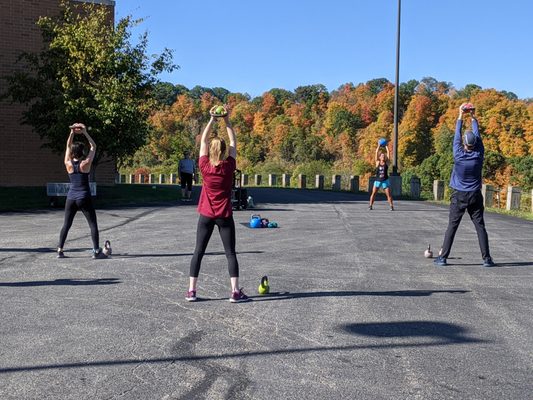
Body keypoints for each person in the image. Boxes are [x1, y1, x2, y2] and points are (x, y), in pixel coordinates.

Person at [186, 111, 249, 303]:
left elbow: (203, 141)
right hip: (224, 215)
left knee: (198, 252)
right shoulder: (228, 166)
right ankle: (235, 292)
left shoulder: (204, 165)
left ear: (210, 151)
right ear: (223, 151)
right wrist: (227, 120)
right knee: (230, 253)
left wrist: (212, 120)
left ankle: (191, 291)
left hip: (206, 214)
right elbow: (233, 141)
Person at [433, 103, 495, 267]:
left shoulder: (458, 154)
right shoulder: (479, 155)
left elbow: (456, 135)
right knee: (480, 226)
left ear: (464, 144)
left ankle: (443, 258)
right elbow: (478, 135)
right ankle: (486, 259)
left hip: (459, 195)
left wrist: (461, 114)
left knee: (452, 226)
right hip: (475, 195)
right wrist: (473, 116)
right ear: (474, 144)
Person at [57, 123, 107, 259]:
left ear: (72, 153)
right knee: (92, 224)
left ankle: (60, 250)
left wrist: (72, 133)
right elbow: (93, 147)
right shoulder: (85, 163)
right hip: (84, 196)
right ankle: (96, 251)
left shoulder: (67, 163)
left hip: (71, 197)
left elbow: (68, 146)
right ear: (82, 152)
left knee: (66, 224)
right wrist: (85, 132)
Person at [368, 143, 394, 211]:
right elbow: (376, 152)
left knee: (388, 194)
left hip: (385, 180)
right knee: (373, 193)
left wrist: (386, 146)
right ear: (379, 157)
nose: (383, 156)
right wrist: (379, 146)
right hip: (377, 180)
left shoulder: (387, 163)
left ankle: (391, 206)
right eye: (381, 156)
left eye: (383, 156)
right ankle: (370, 205)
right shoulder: (377, 162)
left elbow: (388, 153)